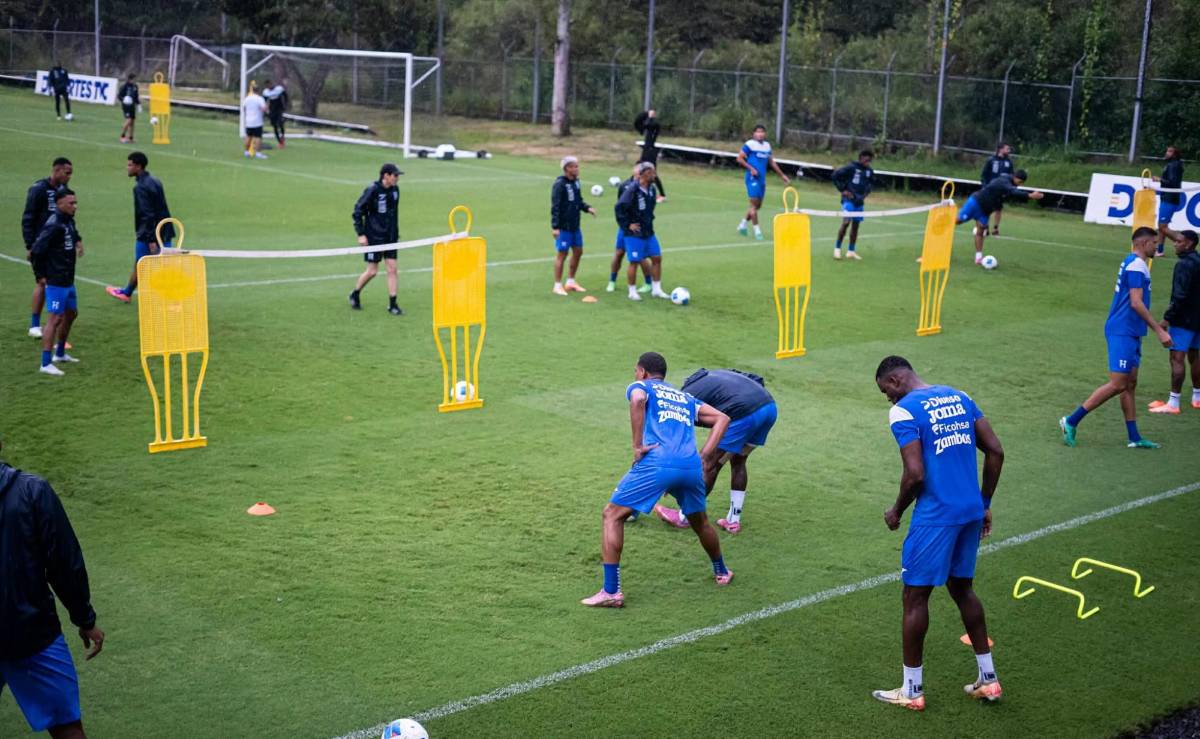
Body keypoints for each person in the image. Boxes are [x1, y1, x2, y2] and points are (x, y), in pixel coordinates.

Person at [871, 355, 1004, 712]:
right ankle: (989, 679)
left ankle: (912, 690)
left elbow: (915, 474)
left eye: (886, 392)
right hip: (970, 511)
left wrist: (896, 511)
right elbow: (995, 450)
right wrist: (984, 502)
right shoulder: (960, 396)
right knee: (962, 589)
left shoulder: (904, 411)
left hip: (936, 516)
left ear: (895, 381)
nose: (889, 399)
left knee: (915, 598)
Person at [581, 352, 732, 608]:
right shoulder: (684, 398)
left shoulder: (642, 387)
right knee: (700, 522)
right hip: (690, 466)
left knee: (612, 515)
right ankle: (722, 571)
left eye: (636, 371)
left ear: (642, 372)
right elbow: (722, 418)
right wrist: (706, 455)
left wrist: (637, 446)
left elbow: (638, 399)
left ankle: (611, 591)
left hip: (657, 463)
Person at [0, 444, 105, 738]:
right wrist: (85, 619)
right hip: (33, 634)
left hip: (32, 634)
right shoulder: (33, 491)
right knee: (67, 727)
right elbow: (64, 562)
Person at [1060, 227, 1173, 449]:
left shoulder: (1135, 263)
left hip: (1131, 331)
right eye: (1154, 243)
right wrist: (1159, 330)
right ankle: (1071, 421)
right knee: (1118, 383)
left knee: (1129, 384)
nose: (1157, 246)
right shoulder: (1136, 265)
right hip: (1123, 330)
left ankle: (1134, 437)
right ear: (1143, 243)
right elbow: (1136, 302)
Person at [651, 368, 778, 534]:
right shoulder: (716, 377)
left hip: (744, 413)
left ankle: (684, 517)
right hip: (769, 408)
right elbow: (757, 380)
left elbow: (677, 438)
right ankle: (733, 521)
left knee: (709, 465)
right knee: (738, 461)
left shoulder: (685, 397)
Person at [106, 152, 175, 303]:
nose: (127, 168)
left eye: (130, 165)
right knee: (162, 265)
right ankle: (127, 293)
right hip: (165, 230)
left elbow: (147, 214)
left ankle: (165, 299)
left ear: (138, 166)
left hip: (149, 234)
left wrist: (151, 239)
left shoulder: (140, 188)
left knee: (142, 265)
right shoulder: (155, 181)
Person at [29, 190, 83, 376]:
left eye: (75, 202)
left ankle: (60, 353)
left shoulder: (68, 220)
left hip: (68, 279)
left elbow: (73, 233)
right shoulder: (54, 225)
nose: (75, 206)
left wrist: (78, 241)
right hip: (56, 280)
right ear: (59, 204)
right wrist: (40, 276)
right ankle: (45, 363)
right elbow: (36, 251)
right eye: (71, 203)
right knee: (55, 318)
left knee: (71, 313)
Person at [1148, 230, 1200, 414]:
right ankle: (1197, 398)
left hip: (1183, 319)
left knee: (1177, 358)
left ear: (1189, 244)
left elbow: (1179, 295)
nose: (1174, 244)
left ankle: (1173, 403)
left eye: (1178, 241)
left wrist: (1166, 319)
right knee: (1195, 356)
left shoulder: (1183, 265)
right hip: (1198, 318)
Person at [22, 157, 73, 339]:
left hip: (58, 247)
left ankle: (55, 324)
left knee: (58, 284)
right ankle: (35, 324)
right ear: (57, 170)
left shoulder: (63, 190)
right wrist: (30, 245)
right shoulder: (38, 189)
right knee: (42, 282)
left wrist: (75, 238)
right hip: (42, 245)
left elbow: (67, 217)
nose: (69, 177)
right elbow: (28, 218)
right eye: (67, 173)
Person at [955, 169, 1043, 265]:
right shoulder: (1004, 181)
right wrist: (1030, 195)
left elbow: (1000, 200)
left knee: (981, 231)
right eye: (1020, 182)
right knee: (957, 221)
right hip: (976, 203)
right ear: (1015, 177)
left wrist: (994, 222)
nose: (1020, 184)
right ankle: (943, 221)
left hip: (985, 211)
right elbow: (1012, 191)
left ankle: (978, 258)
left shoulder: (1010, 184)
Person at [349, 163, 403, 315]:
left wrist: (395, 232)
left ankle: (393, 304)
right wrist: (361, 234)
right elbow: (358, 211)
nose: (397, 178)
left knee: (392, 269)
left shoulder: (395, 190)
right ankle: (355, 293)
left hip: (390, 237)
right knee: (372, 271)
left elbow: (393, 213)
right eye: (395, 175)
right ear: (386, 175)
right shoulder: (372, 190)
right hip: (374, 237)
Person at [615, 162, 670, 301]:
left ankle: (656, 290)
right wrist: (627, 225)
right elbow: (619, 207)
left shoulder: (652, 189)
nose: (653, 175)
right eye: (650, 172)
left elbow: (650, 208)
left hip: (648, 232)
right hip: (634, 234)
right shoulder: (632, 189)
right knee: (634, 261)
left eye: (654, 172)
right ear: (642, 174)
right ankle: (632, 292)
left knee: (657, 258)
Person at [550, 156, 597, 295]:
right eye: (574, 166)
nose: (577, 169)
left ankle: (570, 282)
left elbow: (578, 200)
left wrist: (587, 208)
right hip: (564, 227)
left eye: (577, 166)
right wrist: (555, 227)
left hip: (575, 225)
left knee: (578, 251)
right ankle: (557, 285)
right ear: (567, 168)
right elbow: (555, 206)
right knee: (562, 254)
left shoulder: (576, 182)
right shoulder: (559, 184)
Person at [736, 124, 790, 240]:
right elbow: (739, 158)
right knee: (754, 206)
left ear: (765, 134)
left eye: (762, 132)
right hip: (752, 178)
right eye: (758, 132)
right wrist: (751, 169)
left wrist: (782, 175)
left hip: (761, 180)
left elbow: (771, 162)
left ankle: (742, 225)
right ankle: (757, 231)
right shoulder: (750, 144)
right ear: (754, 134)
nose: (760, 134)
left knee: (757, 206)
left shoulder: (767, 146)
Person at [606, 163, 654, 294]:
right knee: (619, 253)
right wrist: (626, 224)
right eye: (638, 171)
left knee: (641, 256)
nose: (639, 174)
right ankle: (612, 281)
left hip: (639, 229)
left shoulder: (648, 186)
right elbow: (621, 207)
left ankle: (648, 283)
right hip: (625, 227)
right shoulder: (625, 186)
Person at [831, 149, 875, 260]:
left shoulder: (869, 171)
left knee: (855, 226)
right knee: (846, 222)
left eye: (870, 160)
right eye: (866, 160)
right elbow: (835, 176)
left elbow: (870, 185)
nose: (868, 162)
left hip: (859, 202)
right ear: (861, 158)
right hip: (848, 200)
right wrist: (843, 190)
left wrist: (864, 195)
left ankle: (851, 251)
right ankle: (837, 249)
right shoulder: (851, 167)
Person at [1152, 145, 1186, 256]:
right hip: (1167, 197)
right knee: (1162, 226)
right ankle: (1159, 250)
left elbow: (1172, 183)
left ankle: (1185, 244)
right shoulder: (1173, 164)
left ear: (1175, 154)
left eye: (1170, 151)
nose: (1167, 153)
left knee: (1162, 227)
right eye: (1167, 151)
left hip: (1169, 198)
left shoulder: (1173, 165)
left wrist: (1159, 179)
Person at [979, 143, 1014, 236]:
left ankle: (996, 228)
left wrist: (1009, 189)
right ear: (1000, 149)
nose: (1009, 151)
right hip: (990, 189)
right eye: (1007, 149)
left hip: (1001, 190)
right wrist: (984, 186)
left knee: (998, 209)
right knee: (987, 209)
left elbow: (1012, 176)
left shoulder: (1009, 162)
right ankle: (985, 227)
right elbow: (984, 175)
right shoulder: (991, 160)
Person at [633, 109, 667, 200]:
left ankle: (662, 195)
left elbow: (650, 124)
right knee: (639, 169)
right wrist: (646, 113)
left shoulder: (655, 125)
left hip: (650, 151)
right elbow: (637, 123)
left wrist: (651, 117)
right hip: (647, 150)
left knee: (652, 174)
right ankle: (635, 188)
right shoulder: (648, 126)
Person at [242, 84, 268, 159]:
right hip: (257, 121)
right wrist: (266, 107)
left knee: (248, 136)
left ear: (252, 90)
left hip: (248, 121)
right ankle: (258, 153)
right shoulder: (260, 99)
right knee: (258, 137)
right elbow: (264, 109)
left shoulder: (247, 98)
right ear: (258, 90)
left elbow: (244, 108)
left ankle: (246, 152)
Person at [262, 79, 289, 148]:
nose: (268, 86)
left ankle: (282, 136)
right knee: (274, 126)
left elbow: (286, 96)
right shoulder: (266, 92)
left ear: (272, 84)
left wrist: (286, 105)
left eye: (269, 85)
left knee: (280, 123)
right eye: (267, 86)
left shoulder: (279, 89)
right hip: (272, 110)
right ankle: (279, 142)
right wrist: (265, 109)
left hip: (279, 109)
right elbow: (264, 101)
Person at [118, 74, 139, 143]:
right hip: (126, 106)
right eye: (134, 79)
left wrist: (139, 104)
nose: (135, 81)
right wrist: (124, 99)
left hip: (132, 105)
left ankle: (131, 138)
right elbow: (119, 96)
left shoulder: (135, 86)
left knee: (132, 122)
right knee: (129, 120)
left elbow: (136, 96)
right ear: (130, 79)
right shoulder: (124, 86)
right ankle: (122, 136)